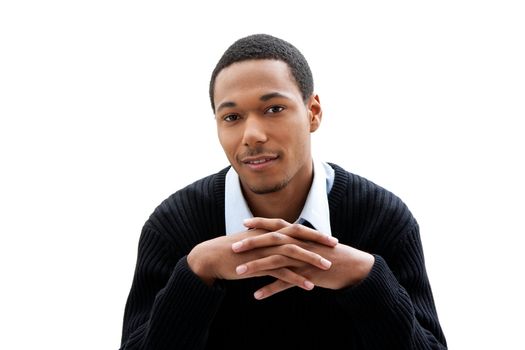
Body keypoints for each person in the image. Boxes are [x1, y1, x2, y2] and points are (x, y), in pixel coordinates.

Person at [119, 33, 447, 349]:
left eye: (274, 109)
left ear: (313, 112)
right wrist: (197, 272)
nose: (252, 135)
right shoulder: (172, 227)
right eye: (232, 116)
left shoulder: (383, 219)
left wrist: (366, 278)